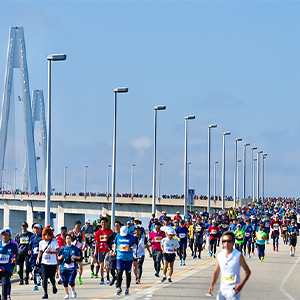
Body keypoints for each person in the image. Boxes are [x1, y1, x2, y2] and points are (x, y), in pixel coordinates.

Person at [208, 231, 251, 299]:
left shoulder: (238, 255)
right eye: (224, 241)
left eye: (229, 241)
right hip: (222, 289)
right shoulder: (220, 255)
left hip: (233, 290)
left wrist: (241, 284)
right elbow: (216, 272)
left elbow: (248, 271)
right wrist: (211, 285)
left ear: (233, 242)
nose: (226, 243)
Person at [36, 225, 60, 299]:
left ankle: (54, 286)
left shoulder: (54, 242)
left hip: (52, 263)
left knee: (51, 277)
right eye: (46, 234)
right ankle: (45, 293)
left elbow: (58, 250)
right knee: (44, 277)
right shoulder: (41, 242)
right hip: (44, 262)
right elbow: (40, 251)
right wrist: (38, 258)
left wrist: (51, 252)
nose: (47, 235)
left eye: (48, 234)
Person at [114, 226, 136, 296]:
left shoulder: (131, 236)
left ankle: (127, 288)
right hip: (120, 256)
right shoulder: (117, 236)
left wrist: (131, 248)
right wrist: (114, 251)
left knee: (128, 272)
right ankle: (119, 288)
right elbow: (115, 244)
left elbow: (135, 244)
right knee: (119, 271)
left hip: (128, 258)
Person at [58, 234, 81, 299]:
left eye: (69, 238)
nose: (68, 240)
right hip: (64, 267)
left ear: (71, 240)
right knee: (65, 281)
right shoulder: (63, 248)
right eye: (67, 238)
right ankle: (67, 294)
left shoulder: (75, 248)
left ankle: (73, 290)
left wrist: (75, 257)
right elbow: (59, 257)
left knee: (71, 281)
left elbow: (79, 257)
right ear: (65, 240)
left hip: (72, 267)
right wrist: (61, 257)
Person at [0, 228, 19, 300]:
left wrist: (15, 259)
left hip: (7, 268)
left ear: (10, 236)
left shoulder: (13, 245)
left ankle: (5, 298)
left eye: (6, 235)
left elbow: (17, 254)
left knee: (5, 284)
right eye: (3, 235)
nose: (4, 236)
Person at [94, 217, 113, 284]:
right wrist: (95, 251)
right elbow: (97, 242)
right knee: (101, 266)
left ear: (106, 223)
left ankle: (108, 276)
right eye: (102, 222)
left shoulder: (109, 231)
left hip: (107, 250)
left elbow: (112, 240)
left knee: (107, 265)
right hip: (100, 250)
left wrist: (112, 249)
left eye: (104, 222)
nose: (103, 224)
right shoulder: (98, 232)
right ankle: (102, 278)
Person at [69, 220, 86, 284]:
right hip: (73, 250)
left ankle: (79, 277)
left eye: (79, 225)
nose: (78, 226)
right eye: (77, 225)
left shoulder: (82, 232)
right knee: (72, 265)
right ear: (74, 225)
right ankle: (72, 277)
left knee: (80, 265)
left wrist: (84, 246)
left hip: (79, 249)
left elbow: (84, 240)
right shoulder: (71, 232)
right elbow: (68, 240)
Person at [107, 221, 122, 286]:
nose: (117, 227)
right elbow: (108, 243)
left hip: (120, 253)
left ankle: (118, 282)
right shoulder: (111, 235)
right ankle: (114, 277)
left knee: (119, 269)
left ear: (120, 226)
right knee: (112, 268)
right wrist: (110, 250)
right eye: (115, 225)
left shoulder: (122, 235)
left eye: (118, 225)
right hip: (112, 253)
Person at [29, 223, 43, 291]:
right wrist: (29, 250)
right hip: (34, 256)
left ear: (40, 229)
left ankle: (42, 280)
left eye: (37, 228)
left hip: (41, 256)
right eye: (35, 228)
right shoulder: (32, 237)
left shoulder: (43, 237)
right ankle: (35, 285)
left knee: (40, 270)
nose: (36, 230)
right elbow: (30, 245)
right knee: (34, 270)